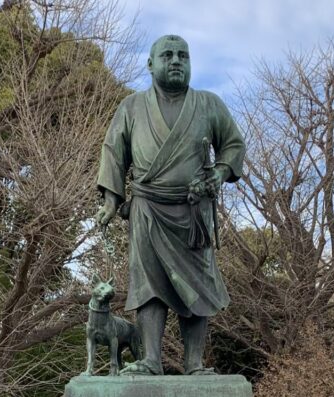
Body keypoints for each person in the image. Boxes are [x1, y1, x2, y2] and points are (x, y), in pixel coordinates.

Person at [96, 34, 245, 376]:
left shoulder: (209, 104)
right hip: (147, 207)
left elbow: (233, 145)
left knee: (199, 284)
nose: (176, 60)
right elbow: (113, 153)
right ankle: (150, 360)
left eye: (183, 55)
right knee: (149, 283)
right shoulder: (131, 107)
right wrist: (110, 200)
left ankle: (194, 363)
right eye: (168, 55)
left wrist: (219, 173)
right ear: (150, 64)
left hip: (194, 211)